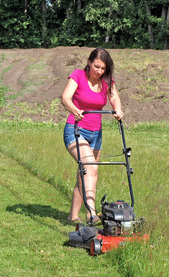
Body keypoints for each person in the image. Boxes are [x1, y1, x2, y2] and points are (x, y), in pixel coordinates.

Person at [61, 48, 124, 224]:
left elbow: (115, 99)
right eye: (97, 66)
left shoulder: (106, 81)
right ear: (89, 62)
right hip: (75, 129)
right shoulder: (78, 75)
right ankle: (91, 214)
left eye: (103, 68)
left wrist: (118, 110)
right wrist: (74, 110)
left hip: (96, 134)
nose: (99, 71)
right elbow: (65, 97)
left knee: (86, 173)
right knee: (90, 168)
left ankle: (73, 216)